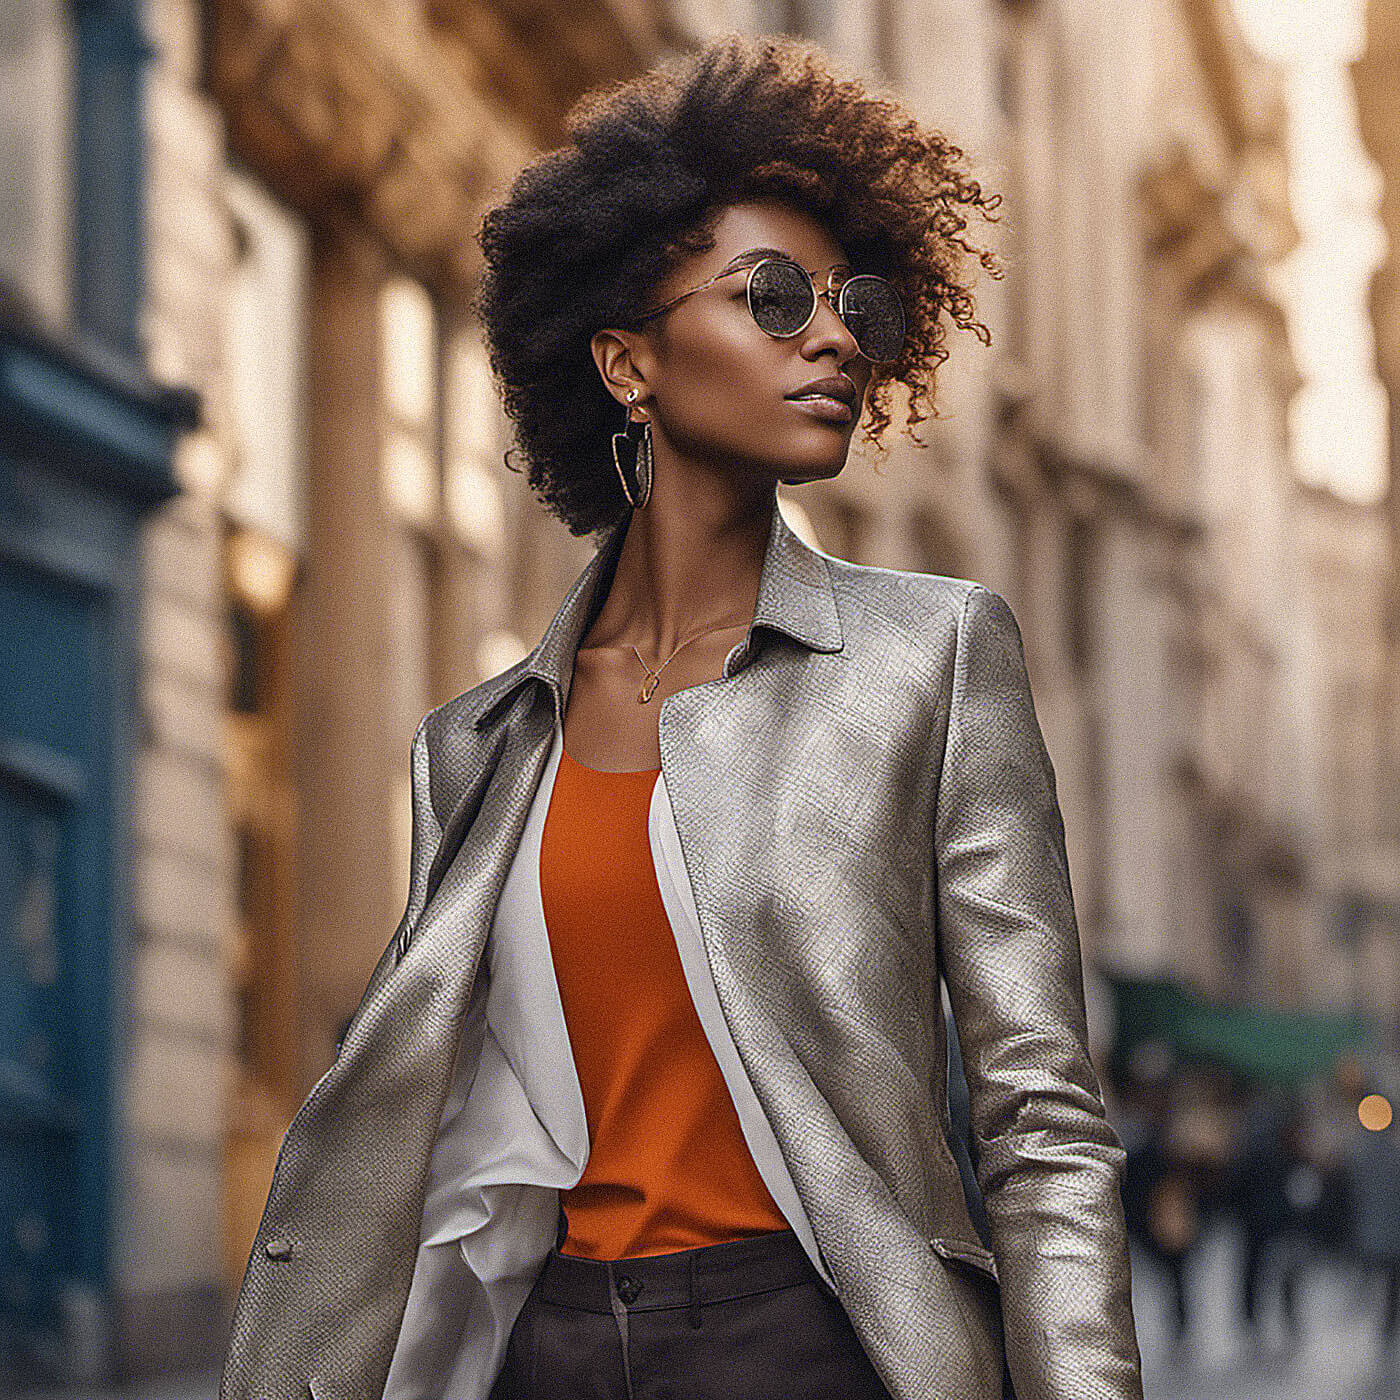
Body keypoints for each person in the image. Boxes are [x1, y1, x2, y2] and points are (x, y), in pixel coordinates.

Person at [218, 33, 1143, 1400]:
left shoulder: (931, 660)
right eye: (771, 297)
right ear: (627, 362)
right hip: (553, 1347)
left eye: (854, 304)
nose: (832, 334)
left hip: (816, 1345)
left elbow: (1040, 1117)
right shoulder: (473, 748)